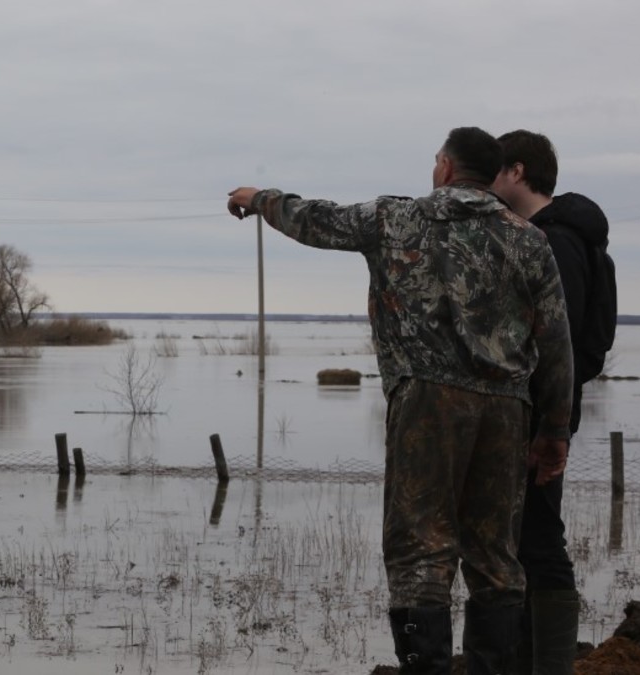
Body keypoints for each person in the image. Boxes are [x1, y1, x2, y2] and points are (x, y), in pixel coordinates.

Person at [226, 127, 574, 675]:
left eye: (436, 161)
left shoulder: (396, 218)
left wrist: (256, 198)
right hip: (507, 411)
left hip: (426, 403)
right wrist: (555, 431)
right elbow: (556, 342)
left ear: (445, 167)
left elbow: (316, 220)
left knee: (420, 552)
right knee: (496, 558)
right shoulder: (529, 238)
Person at [492, 129, 610, 675]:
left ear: (516, 172)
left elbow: (557, 342)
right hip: (539, 414)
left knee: (537, 542)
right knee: (521, 543)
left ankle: (550, 665)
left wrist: (547, 425)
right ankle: (525, 660)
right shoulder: (551, 234)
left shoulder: (555, 241)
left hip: (539, 418)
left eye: (494, 170)